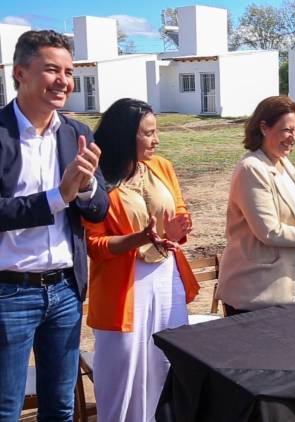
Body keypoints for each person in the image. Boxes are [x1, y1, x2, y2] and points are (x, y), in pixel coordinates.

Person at [0, 30, 109, 420]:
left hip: (64, 289)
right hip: (9, 293)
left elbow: (98, 209)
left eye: (68, 70)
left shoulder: (76, 133)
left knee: (61, 406)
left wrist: (85, 187)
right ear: (20, 73)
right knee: (6, 407)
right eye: (51, 69)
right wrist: (58, 196)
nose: (64, 80)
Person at [82, 98, 199, 421]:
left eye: (156, 131)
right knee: (124, 374)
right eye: (148, 133)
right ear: (124, 136)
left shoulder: (161, 166)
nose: (156, 139)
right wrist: (139, 238)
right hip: (124, 287)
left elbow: (178, 208)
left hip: (166, 278)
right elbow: (94, 245)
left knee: (165, 365)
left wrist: (178, 227)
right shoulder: (96, 181)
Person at [216, 96, 295, 315]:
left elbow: (290, 213)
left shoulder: (282, 162)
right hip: (255, 290)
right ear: (264, 127)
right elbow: (270, 231)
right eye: (287, 130)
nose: (293, 138)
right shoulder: (252, 168)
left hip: (288, 280)